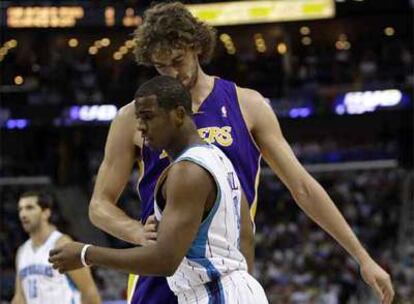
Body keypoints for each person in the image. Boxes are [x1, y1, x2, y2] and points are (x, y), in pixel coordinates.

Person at [88, 2, 394, 304]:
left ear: (197, 46)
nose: (171, 74)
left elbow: (302, 187)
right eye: (160, 66)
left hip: (227, 275)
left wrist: (361, 256)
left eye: (178, 61)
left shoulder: (247, 105)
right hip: (159, 275)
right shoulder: (134, 117)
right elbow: (99, 205)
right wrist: (136, 232)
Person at [49, 76, 267, 304]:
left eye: (148, 117)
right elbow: (246, 235)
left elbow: (165, 260)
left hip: (215, 293)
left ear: (179, 115)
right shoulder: (219, 158)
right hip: (238, 291)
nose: (140, 127)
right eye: (138, 119)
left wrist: (86, 254)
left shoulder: (188, 171)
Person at [11, 191, 101, 304]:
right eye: (20, 209)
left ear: (46, 212)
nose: (23, 214)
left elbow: (89, 291)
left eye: (29, 208)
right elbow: (19, 297)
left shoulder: (62, 244)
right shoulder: (22, 251)